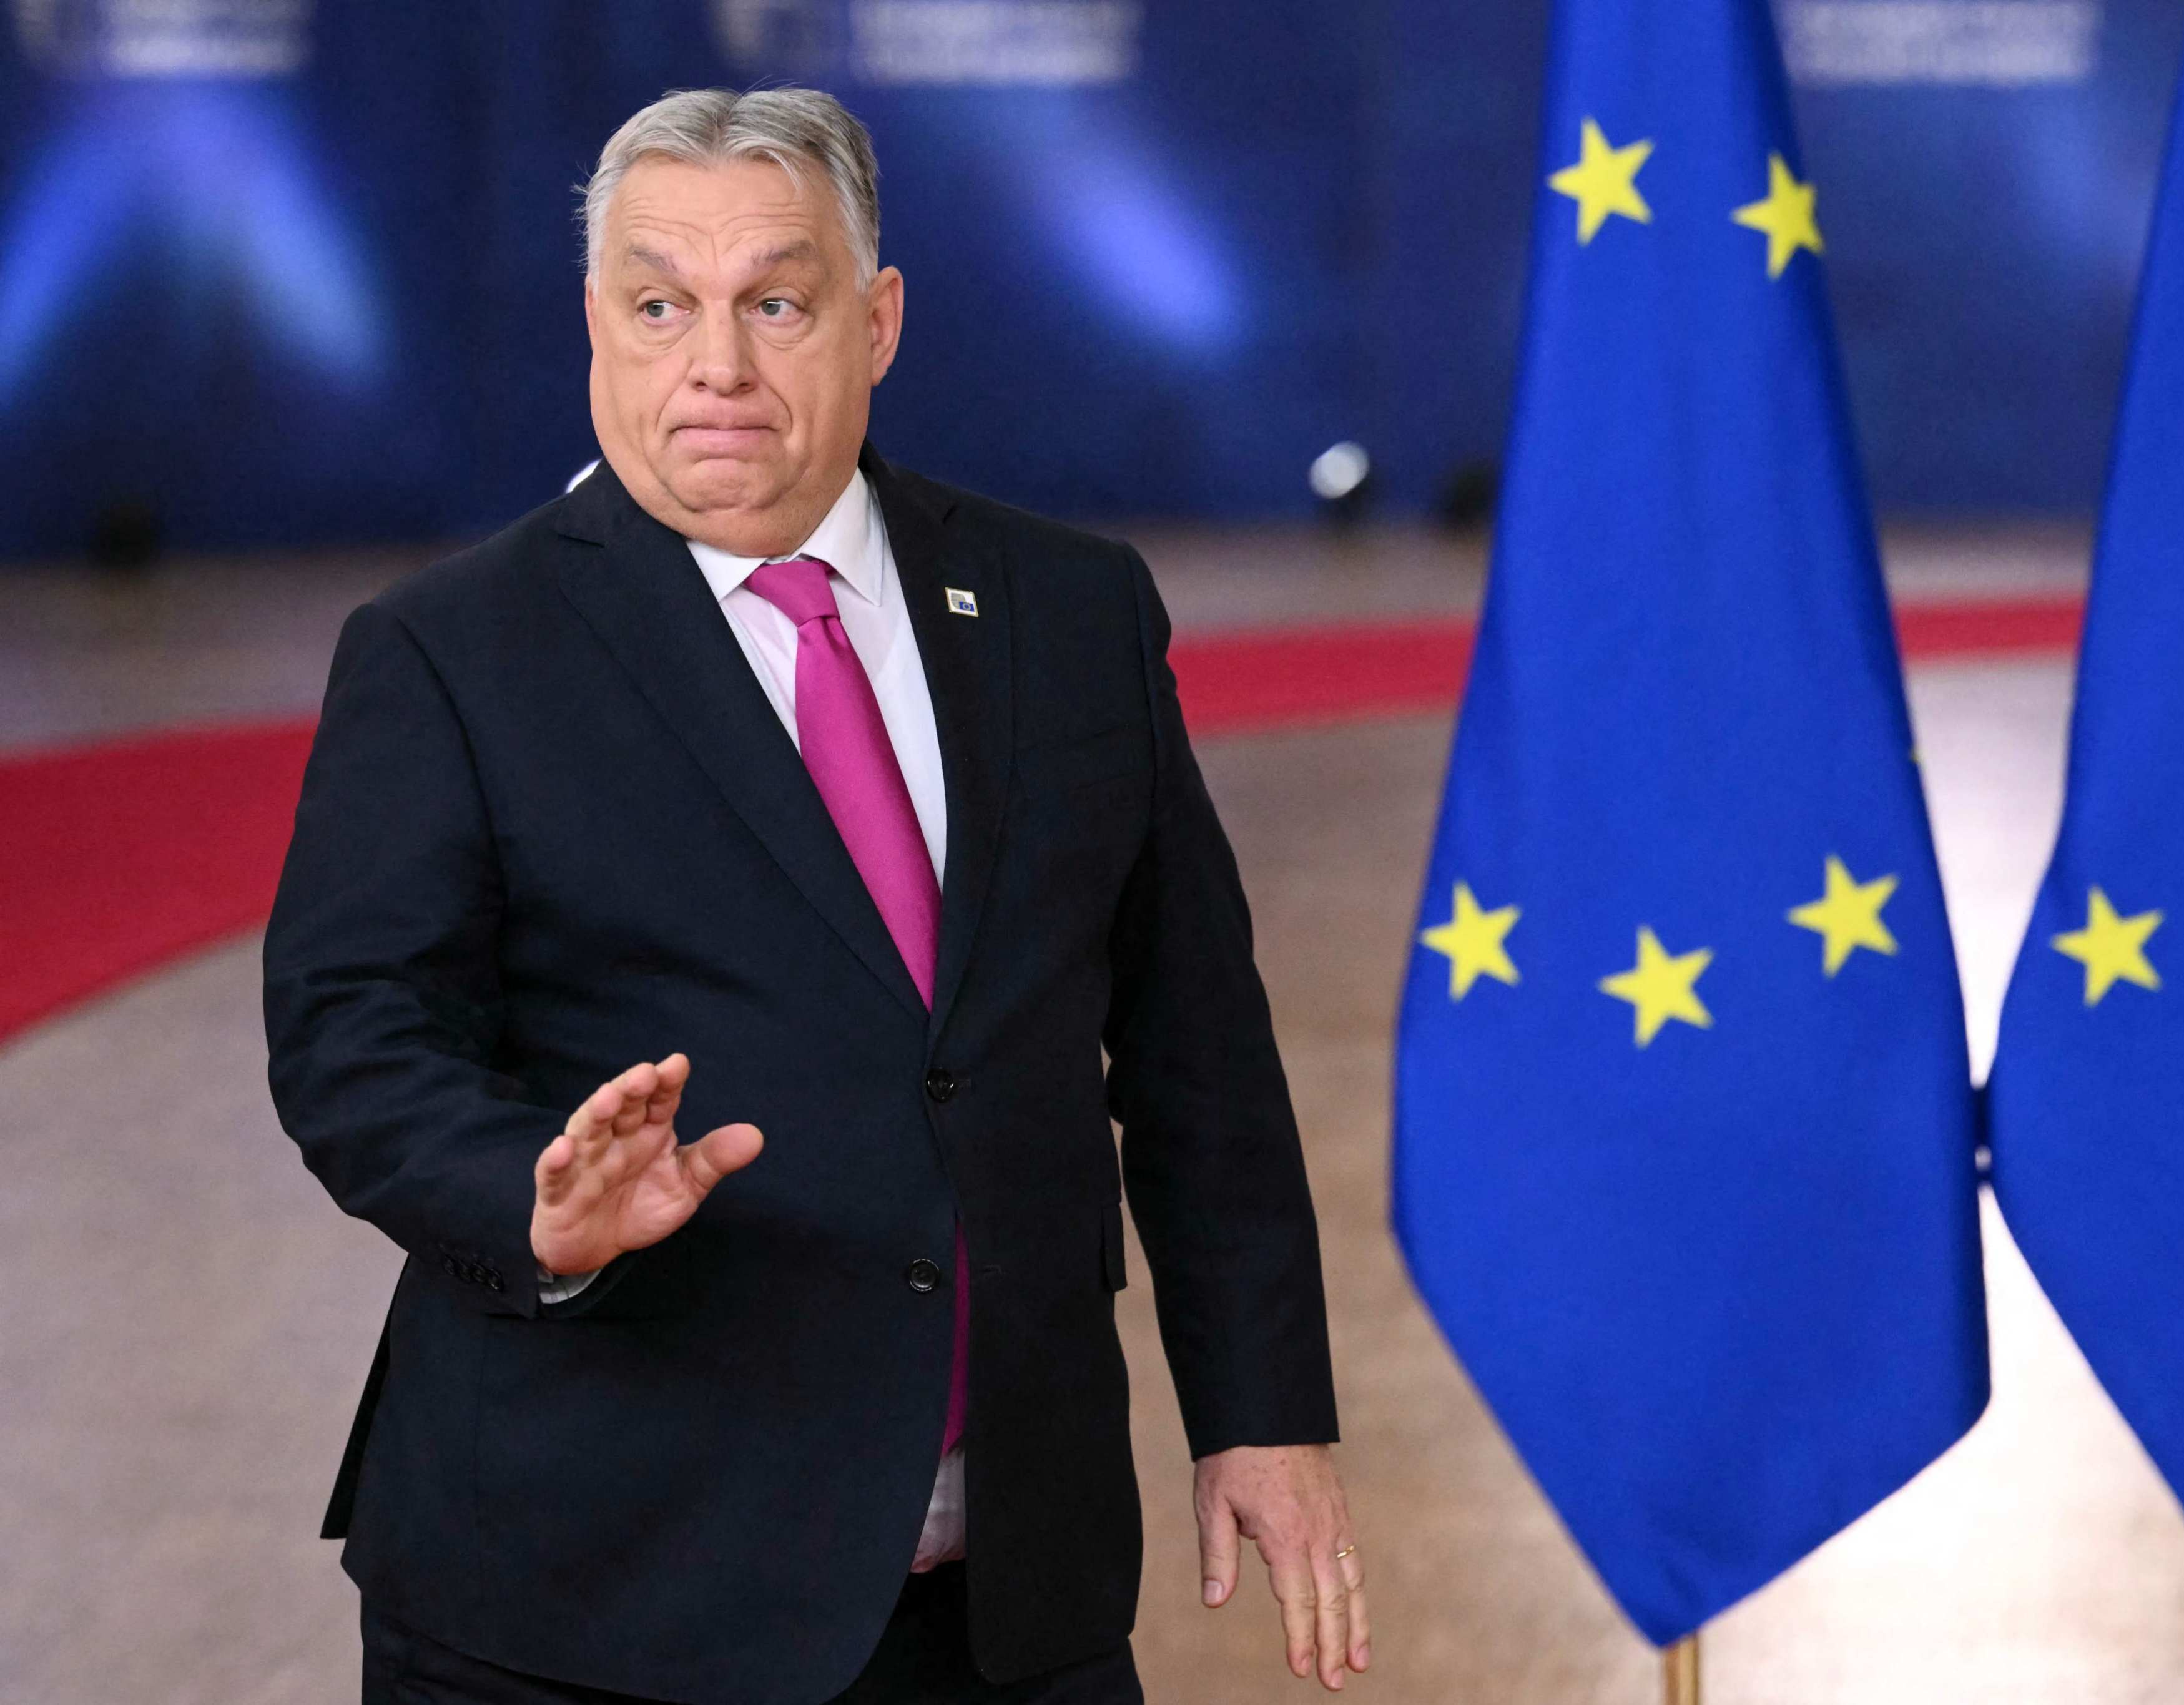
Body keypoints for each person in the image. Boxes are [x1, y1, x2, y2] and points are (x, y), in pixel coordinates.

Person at [263, 86, 1365, 1705]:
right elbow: (353, 1036)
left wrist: (1262, 1403)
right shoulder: (449, 652)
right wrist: (535, 1198)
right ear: (598, 322)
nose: (716, 366)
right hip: (593, 1603)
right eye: (660, 306)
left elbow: (1196, 1045)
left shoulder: (1073, 612)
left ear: (878, 317)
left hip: (1011, 1606)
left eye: (775, 302)